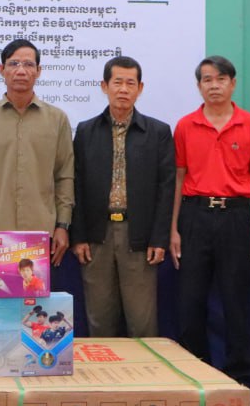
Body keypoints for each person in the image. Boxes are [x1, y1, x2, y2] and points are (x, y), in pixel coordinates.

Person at [170, 55, 250, 384]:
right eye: (207, 80)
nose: (214, 86)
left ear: (233, 83)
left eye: (221, 79)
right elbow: (178, 178)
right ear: (199, 86)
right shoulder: (185, 126)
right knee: (190, 304)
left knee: (236, 303)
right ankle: (196, 378)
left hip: (236, 218)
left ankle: (240, 380)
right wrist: (173, 229)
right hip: (194, 217)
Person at [71, 56, 175, 338]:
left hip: (138, 237)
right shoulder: (86, 131)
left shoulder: (158, 132)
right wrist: (78, 236)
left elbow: (166, 189)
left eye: (131, 83)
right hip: (97, 236)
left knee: (142, 322)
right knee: (100, 320)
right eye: (117, 82)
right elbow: (75, 186)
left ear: (140, 88)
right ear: (104, 86)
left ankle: (144, 368)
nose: (124, 89)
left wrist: (159, 239)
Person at [0, 39, 74, 270]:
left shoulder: (57, 120)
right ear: (1, 70)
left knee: (33, 292)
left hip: (42, 233)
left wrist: (63, 225)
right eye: (13, 64)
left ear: (38, 71)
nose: (21, 71)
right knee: (0, 294)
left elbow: (64, 176)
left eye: (28, 64)